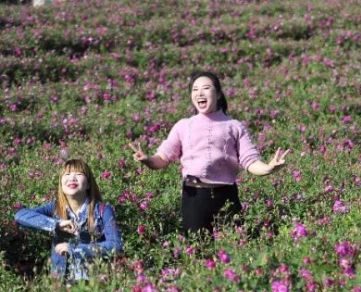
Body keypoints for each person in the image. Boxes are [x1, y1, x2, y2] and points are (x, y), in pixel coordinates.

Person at [129, 71, 289, 235]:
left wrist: (268, 168)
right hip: (194, 197)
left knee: (233, 245)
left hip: (226, 196)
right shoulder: (183, 126)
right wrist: (147, 160)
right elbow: (162, 158)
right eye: (195, 89)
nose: (199, 93)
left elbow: (250, 161)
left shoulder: (234, 126)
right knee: (196, 250)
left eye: (206, 88)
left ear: (218, 94)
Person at [14, 158, 122, 281]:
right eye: (67, 174)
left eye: (79, 174)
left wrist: (75, 250)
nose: (72, 178)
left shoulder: (103, 210)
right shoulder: (54, 208)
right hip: (62, 284)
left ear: (88, 184)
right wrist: (56, 224)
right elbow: (20, 215)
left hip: (95, 284)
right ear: (61, 183)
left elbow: (116, 246)